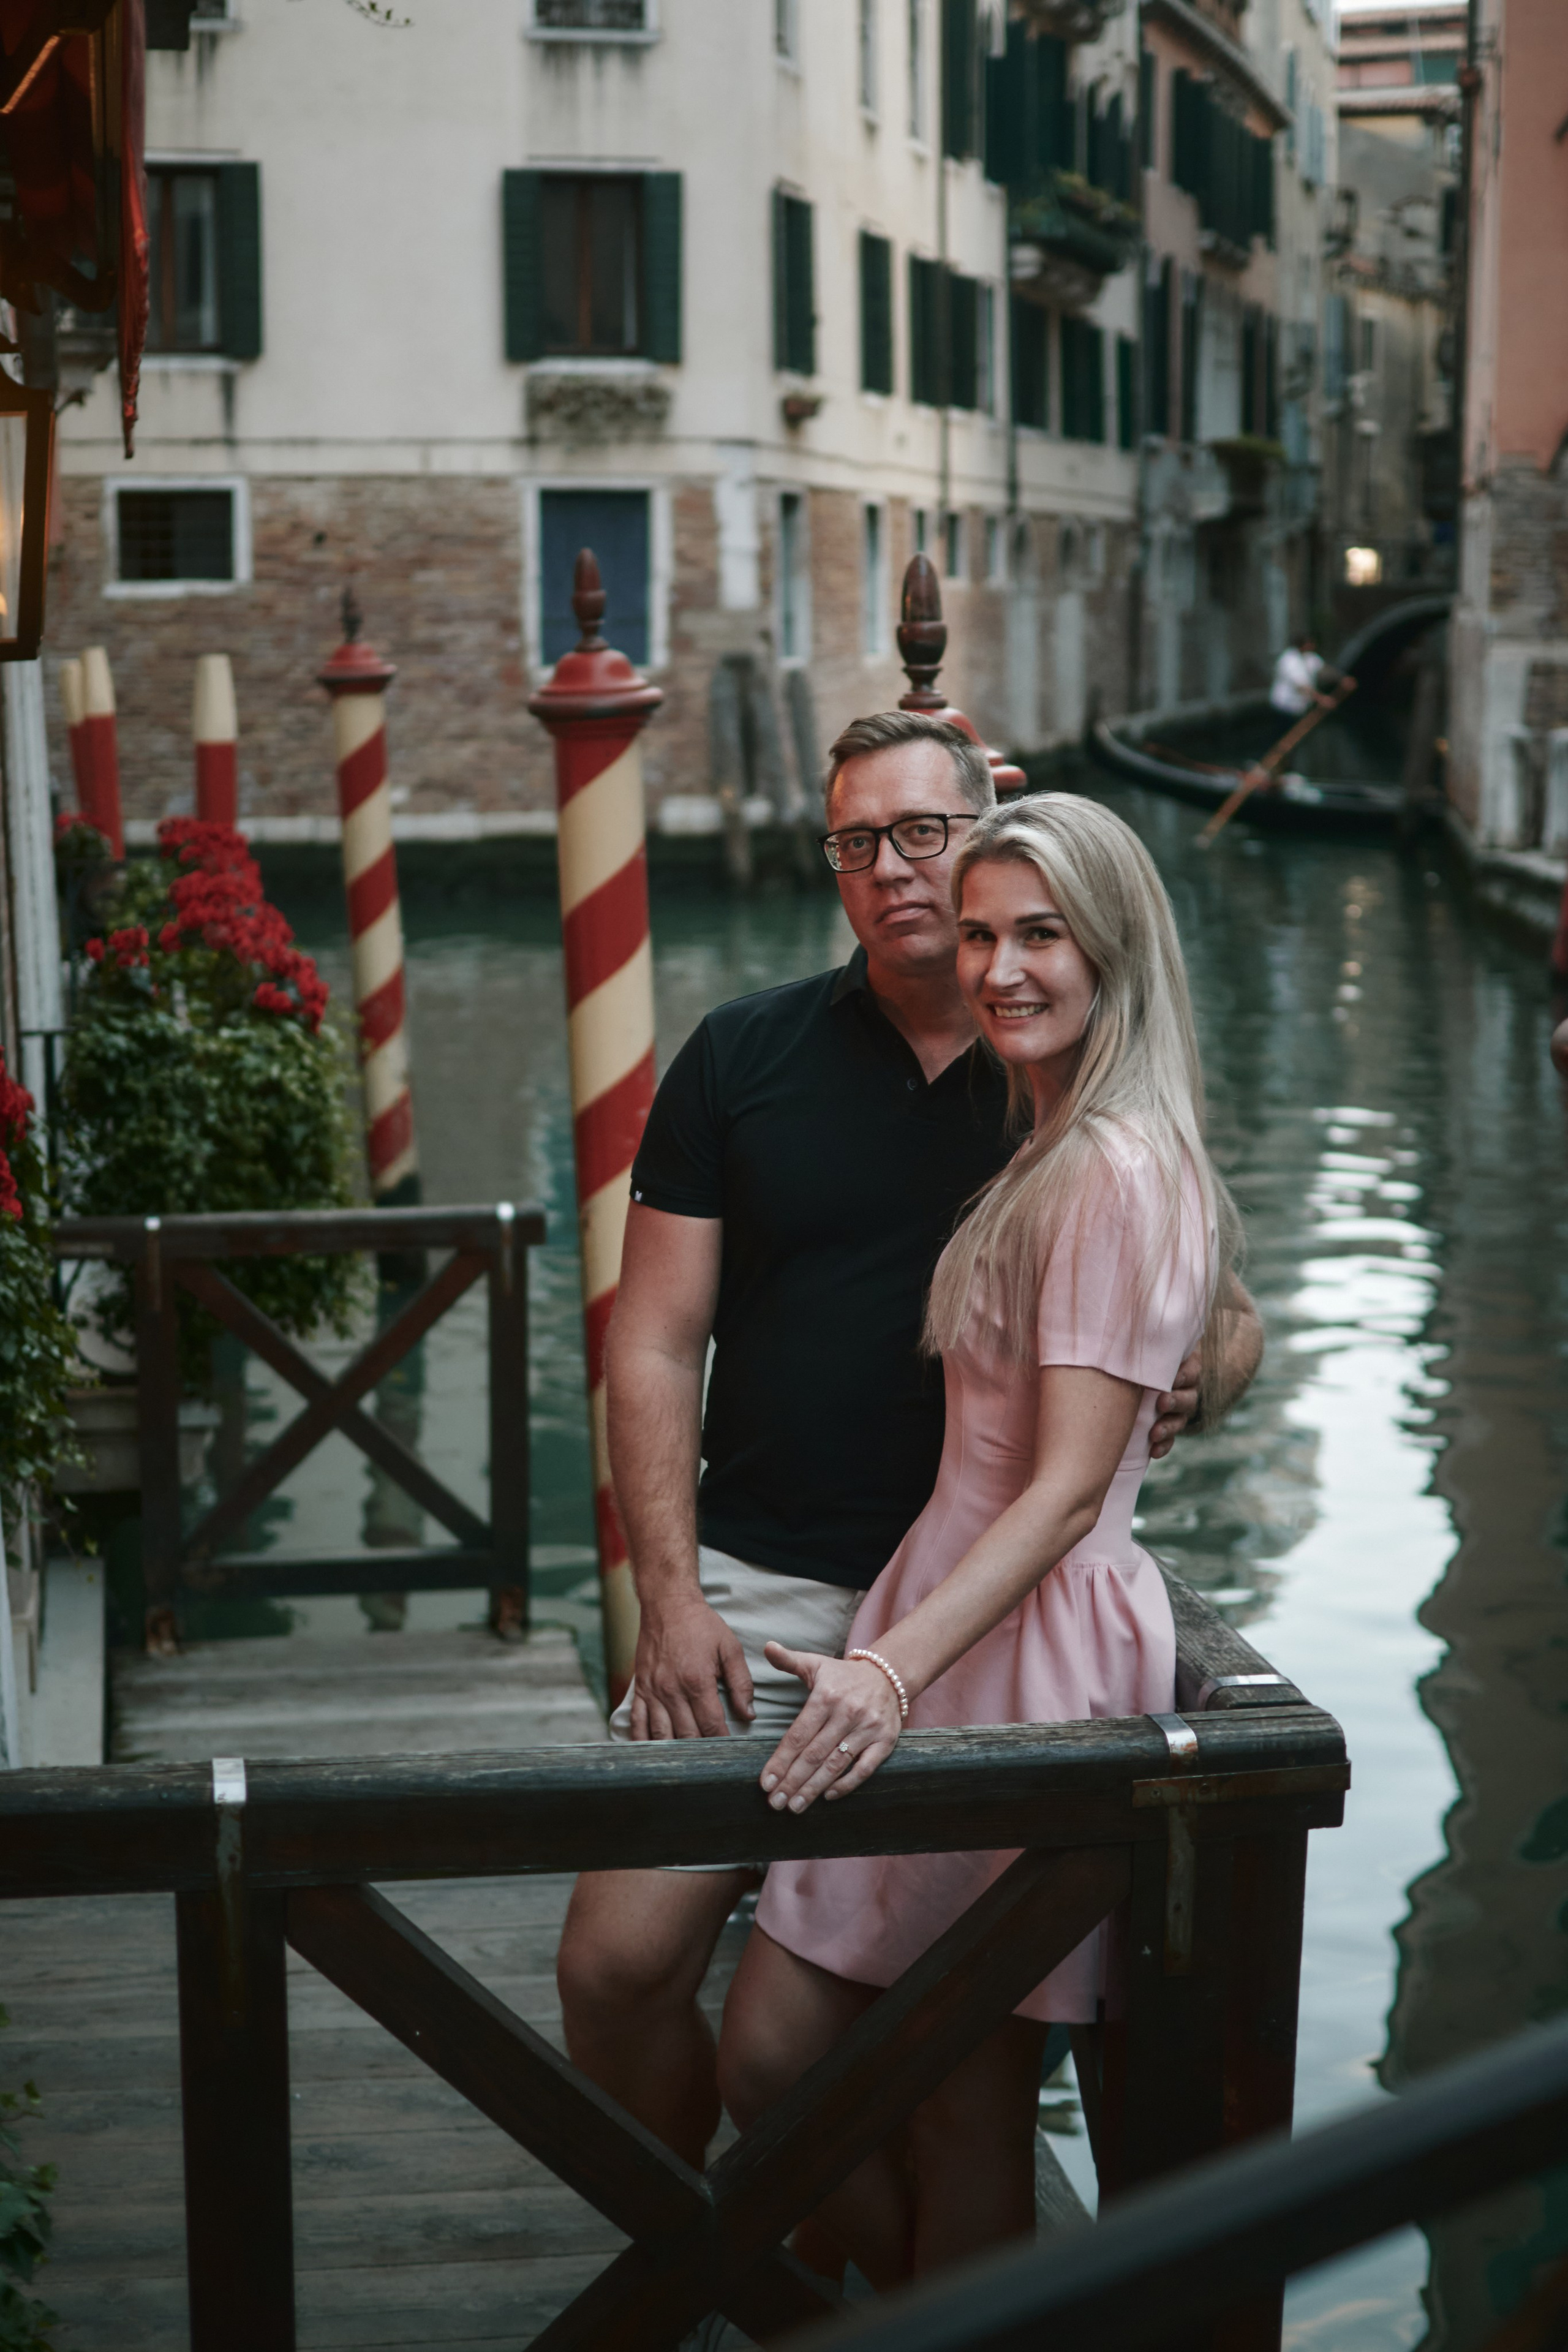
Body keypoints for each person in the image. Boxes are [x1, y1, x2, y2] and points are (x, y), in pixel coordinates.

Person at [555, 714, 1263, 2184]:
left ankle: (833, 2265)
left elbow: (1222, 1305)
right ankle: (686, 2251)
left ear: (987, 818)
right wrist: (672, 1599)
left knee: (914, 2053)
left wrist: (1193, 1374)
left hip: (985, 1618)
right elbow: (648, 1340)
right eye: (855, 843)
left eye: (922, 832)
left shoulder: (1057, 1061)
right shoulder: (740, 1054)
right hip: (764, 1587)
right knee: (616, 1970)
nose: (892, 870)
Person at [717, 792, 1239, 2289]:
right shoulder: (1059, 1141)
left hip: (1017, 1647)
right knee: (780, 2055)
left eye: (1039, 935)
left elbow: (1071, 1489)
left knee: (959, 2112)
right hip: (957, 1613)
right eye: (983, 932)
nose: (1000, 967)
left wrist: (878, 1670)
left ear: (1112, 950)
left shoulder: (1110, 1168)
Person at [1270, 632, 1335, 718]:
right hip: (1285, 708)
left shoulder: (1310, 657)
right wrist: (1321, 699)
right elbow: (1301, 687)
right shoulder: (1289, 660)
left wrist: (1342, 679)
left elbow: (1324, 670)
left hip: (1301, 708)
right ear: (1303, 645)